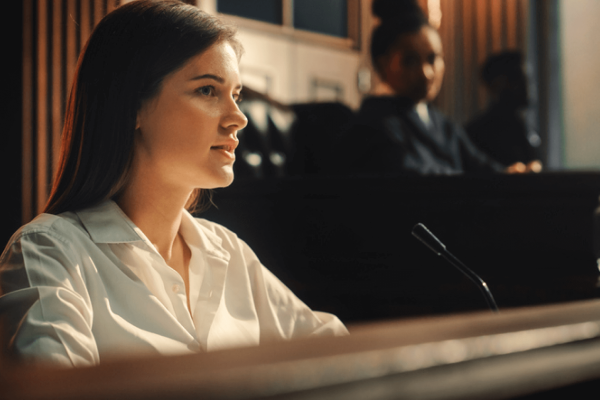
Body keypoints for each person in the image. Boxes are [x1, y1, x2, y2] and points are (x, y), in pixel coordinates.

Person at [0, 0, 347, 368]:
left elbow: (336, 352)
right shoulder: (47, 254)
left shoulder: (228, 254)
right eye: (208, 91)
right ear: (132, 107)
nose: (238, 118)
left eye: (237, 95)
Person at [343, 0, 515, 175]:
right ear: (383, 63)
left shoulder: (443, 124)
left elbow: (482, 167)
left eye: (433, 59)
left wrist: (513, 173)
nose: (427, 73)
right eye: (410, 60)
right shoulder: (373, 125)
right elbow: (415, 177)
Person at [465, 51, 542, 172]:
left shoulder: (525, 128)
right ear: (497, 84)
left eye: (529, 78)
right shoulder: (476, 134)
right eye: (519, 78)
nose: (528, 85)